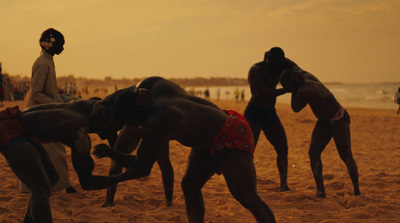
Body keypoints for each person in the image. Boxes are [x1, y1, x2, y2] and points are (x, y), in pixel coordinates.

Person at [92, 76, 276, 222]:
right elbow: (125, 91)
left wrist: (109, 167)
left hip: (231, 132)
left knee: (246, 196)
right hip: (207, 139)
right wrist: (103, 102)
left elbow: (141, 168)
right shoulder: (153, 85)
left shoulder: (155, 123)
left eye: (130, 122)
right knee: (189, 185)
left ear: (135, 115)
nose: (132, 126)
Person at [0, 98, 136, 222]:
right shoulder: (80, 135)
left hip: (20, 124)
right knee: (40, 187)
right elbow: (87, 183)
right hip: (10, 130)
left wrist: (115, 155)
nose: (110, 134)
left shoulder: (93, 105)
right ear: (104, 120)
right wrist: (125, 177)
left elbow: (117, 99)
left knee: (52, 177)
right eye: (112, 128)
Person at [280, 68, 360, 198]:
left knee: (346, 156)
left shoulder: (304, 90)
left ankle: (357, 191)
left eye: (288, 87)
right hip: (323, 121)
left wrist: (291, 91)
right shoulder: (306, 75)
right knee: (313, 153)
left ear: (293, 84)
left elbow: (295, 108)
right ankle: (321, 191)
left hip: (339, 118)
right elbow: (291, 65)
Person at [23, 28, 78, 194]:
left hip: (43, 113)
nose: (61, 48)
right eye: (59, 44)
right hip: (39, 115)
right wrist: (57, 105)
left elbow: (45, 87)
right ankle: (66, 187)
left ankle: (62, 186)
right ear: (50, 45)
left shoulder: (47, 61)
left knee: (46, 153)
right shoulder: (42, 63)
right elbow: (37, 93)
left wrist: (58, 91)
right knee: (57, 151)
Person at [243, 47, 297, 192]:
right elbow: (261, 93)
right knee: (249, 151)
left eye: (279, 64)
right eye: (274, 64)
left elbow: (298, 69)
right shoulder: (256, 70)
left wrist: (297, 77)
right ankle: (248, 184)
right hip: (254, 112)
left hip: (270, 113)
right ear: (267, 59)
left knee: (282, 148)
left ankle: (283, 184)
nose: (277, 68)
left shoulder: (282, 64)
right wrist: (285, 90)